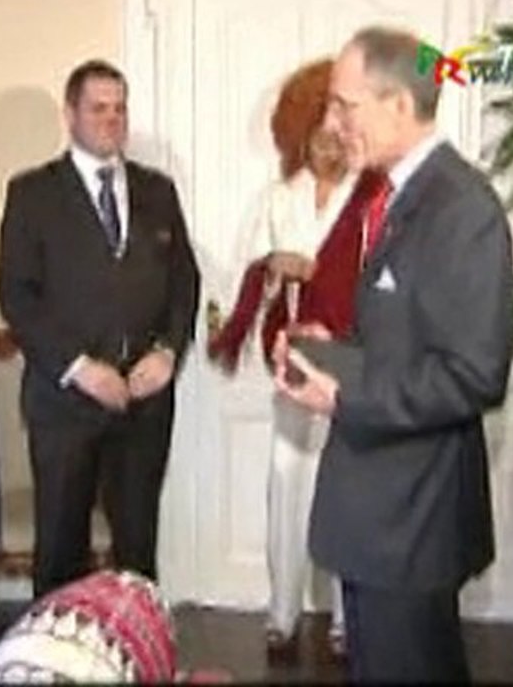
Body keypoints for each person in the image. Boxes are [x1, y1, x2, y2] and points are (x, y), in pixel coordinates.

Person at [272, 26, 513, 682]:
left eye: (344, 105)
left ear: (400, 107)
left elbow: (474, 374)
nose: (329, 122)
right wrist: (335, 354)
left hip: (412, 523)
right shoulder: (400, 195)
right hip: (382, 519)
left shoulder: (463, 209)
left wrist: (344, 393)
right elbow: (406, 341)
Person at [208, 58, 390, 662]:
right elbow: (250, 279)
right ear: (299, 133)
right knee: (285, 485)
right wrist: (273, 268)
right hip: (292, 362)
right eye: (322, 132)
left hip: (350, 365)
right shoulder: (276, 198)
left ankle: (347, 618)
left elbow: (382, 278)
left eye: (342, 131)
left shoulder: (371, 199)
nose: (333, 143)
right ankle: (282, 616)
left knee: (347, 493)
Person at [0, 59, 200, 598]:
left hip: (144, 404)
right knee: (62, 551)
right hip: (65, 406)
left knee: (137, 551)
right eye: (98, 109)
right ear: (71, 114)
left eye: (120, 109)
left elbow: (185, 283)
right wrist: (81, 369)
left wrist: (167, 353)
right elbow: (17, 298)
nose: (112, 120)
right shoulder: (32, 194)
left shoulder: (158, 190)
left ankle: (135, 653)